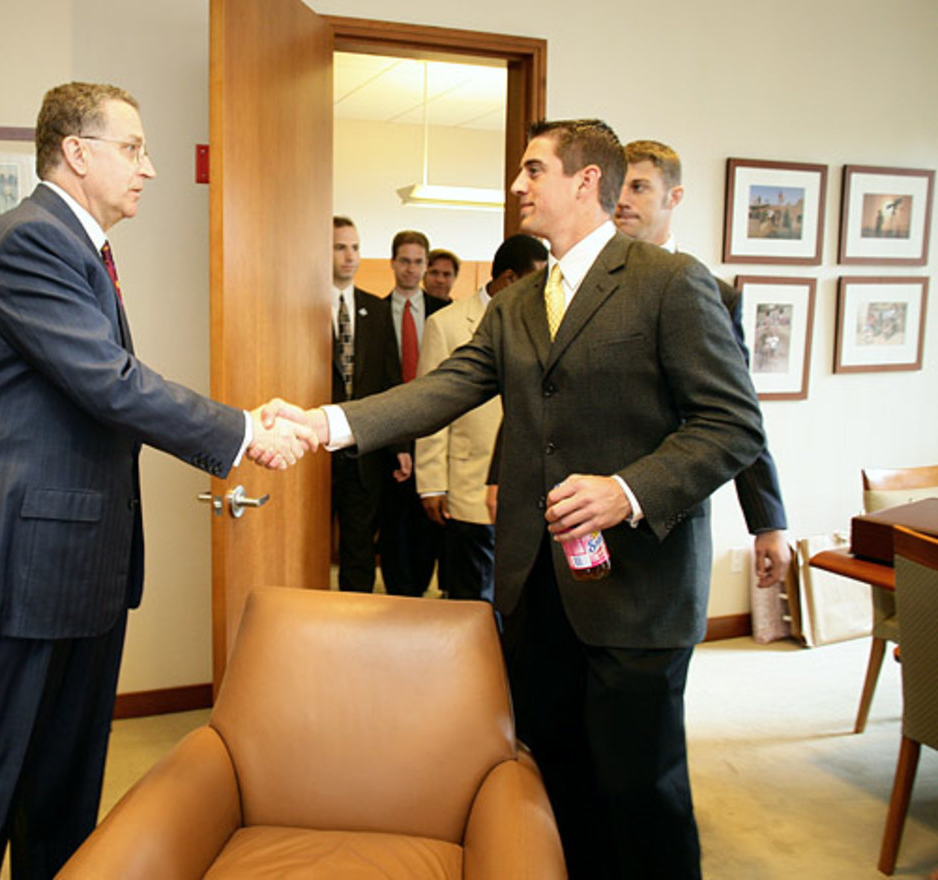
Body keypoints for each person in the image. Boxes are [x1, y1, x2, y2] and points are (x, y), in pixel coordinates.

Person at [270, 118, 765, 879]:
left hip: (638, 592)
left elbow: (732, 426)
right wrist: (324, 423)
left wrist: (627, 490)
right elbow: (441, 390)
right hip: (537, 589)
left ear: (586, 180)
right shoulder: (516, 303)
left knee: (641, 792)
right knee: (555, 781)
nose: (517, 186)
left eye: (533, 170)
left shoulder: (671, 284)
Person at [0, 82, 314, 880]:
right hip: (14, 569)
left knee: (61, 792)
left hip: (76, 566)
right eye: (133, 148)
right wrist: (245, 432)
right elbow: (111, 384)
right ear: (76, 153)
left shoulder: (81, 247)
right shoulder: (30, 240)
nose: (149, 168)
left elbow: (104, 393)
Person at [615, 139, 791, 588]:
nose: (622, 199)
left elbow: (734, 412)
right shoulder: (573, 285)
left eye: (638, 187)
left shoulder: (711, 294)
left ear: (674, 197)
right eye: (619, 185)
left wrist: (767, 522)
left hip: (665, 514)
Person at [415, 234, 547, 603]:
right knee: (471, 595)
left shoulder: (543, 322)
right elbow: (431, 408)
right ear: (508, 278)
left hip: (524, 486)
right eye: (533, 281)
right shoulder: (448, 324)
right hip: (469, 482)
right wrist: (432, 483)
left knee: (516, 597)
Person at [377, 230, 448, 597]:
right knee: (394, 523)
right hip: (389, 436)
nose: (411, 269)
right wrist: (396, 442)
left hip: (434, 430)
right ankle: (398, 595)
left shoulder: (444, 313)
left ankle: (420, 591)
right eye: (404, 260)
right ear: (392, 263)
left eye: (418, 262)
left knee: (428, 522)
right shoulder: (374, 312)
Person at [330, 216, 394, 592]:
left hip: (362, 445)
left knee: (359, 543)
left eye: (354, 247)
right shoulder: (301, 305)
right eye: (340, 247)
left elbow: (390, 380)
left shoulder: (377, 309)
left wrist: (399, 446)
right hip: (314, 447)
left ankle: (356, 615)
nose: (350, 255)